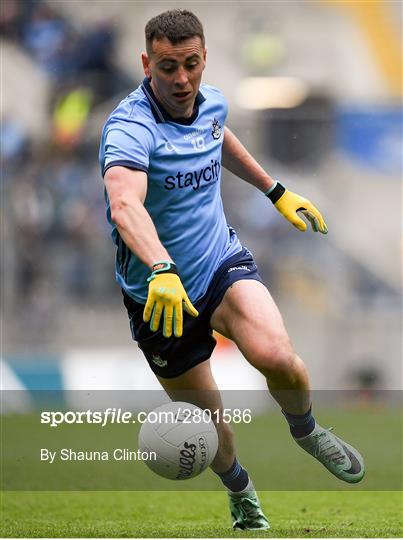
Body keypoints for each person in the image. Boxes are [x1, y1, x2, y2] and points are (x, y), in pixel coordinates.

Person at [99, 9, 364, 531]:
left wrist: (276, 191)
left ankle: (306, 430)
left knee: (277, 357)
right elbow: (125, 205)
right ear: (146, 63)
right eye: (169, 67)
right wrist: (161, 269)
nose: (182, 79)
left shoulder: (211, 101)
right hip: (159, 296)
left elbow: (219, 135)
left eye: (191, 65)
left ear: (204, 59)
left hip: (220, 263)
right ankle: (240, 489)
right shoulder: (130, 128)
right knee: (211, 428)